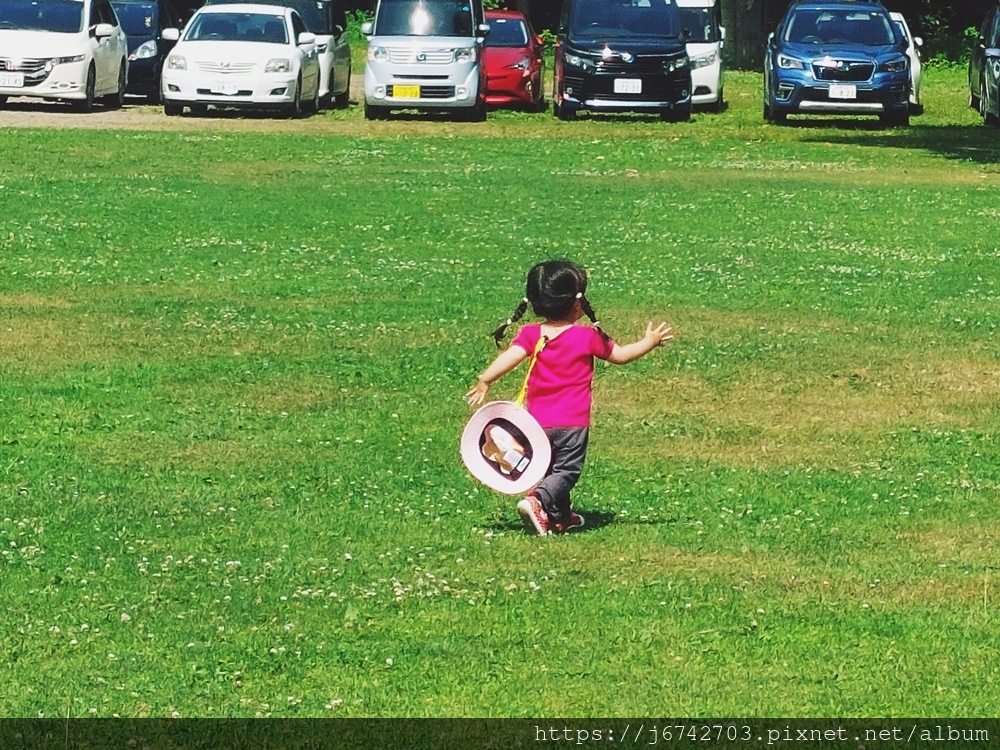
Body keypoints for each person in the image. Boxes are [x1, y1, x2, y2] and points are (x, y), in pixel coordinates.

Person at [466, 260, 673, 536]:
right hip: (572, 423)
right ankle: (537, 500)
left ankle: (560, 517)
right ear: (577, 303)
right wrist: (649, 342)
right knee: (566, 471)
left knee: (550, 467)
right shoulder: (586, 337)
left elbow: (510, 358)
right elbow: (621, 356)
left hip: (537, 422)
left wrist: (485, 379)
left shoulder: (531, 334)